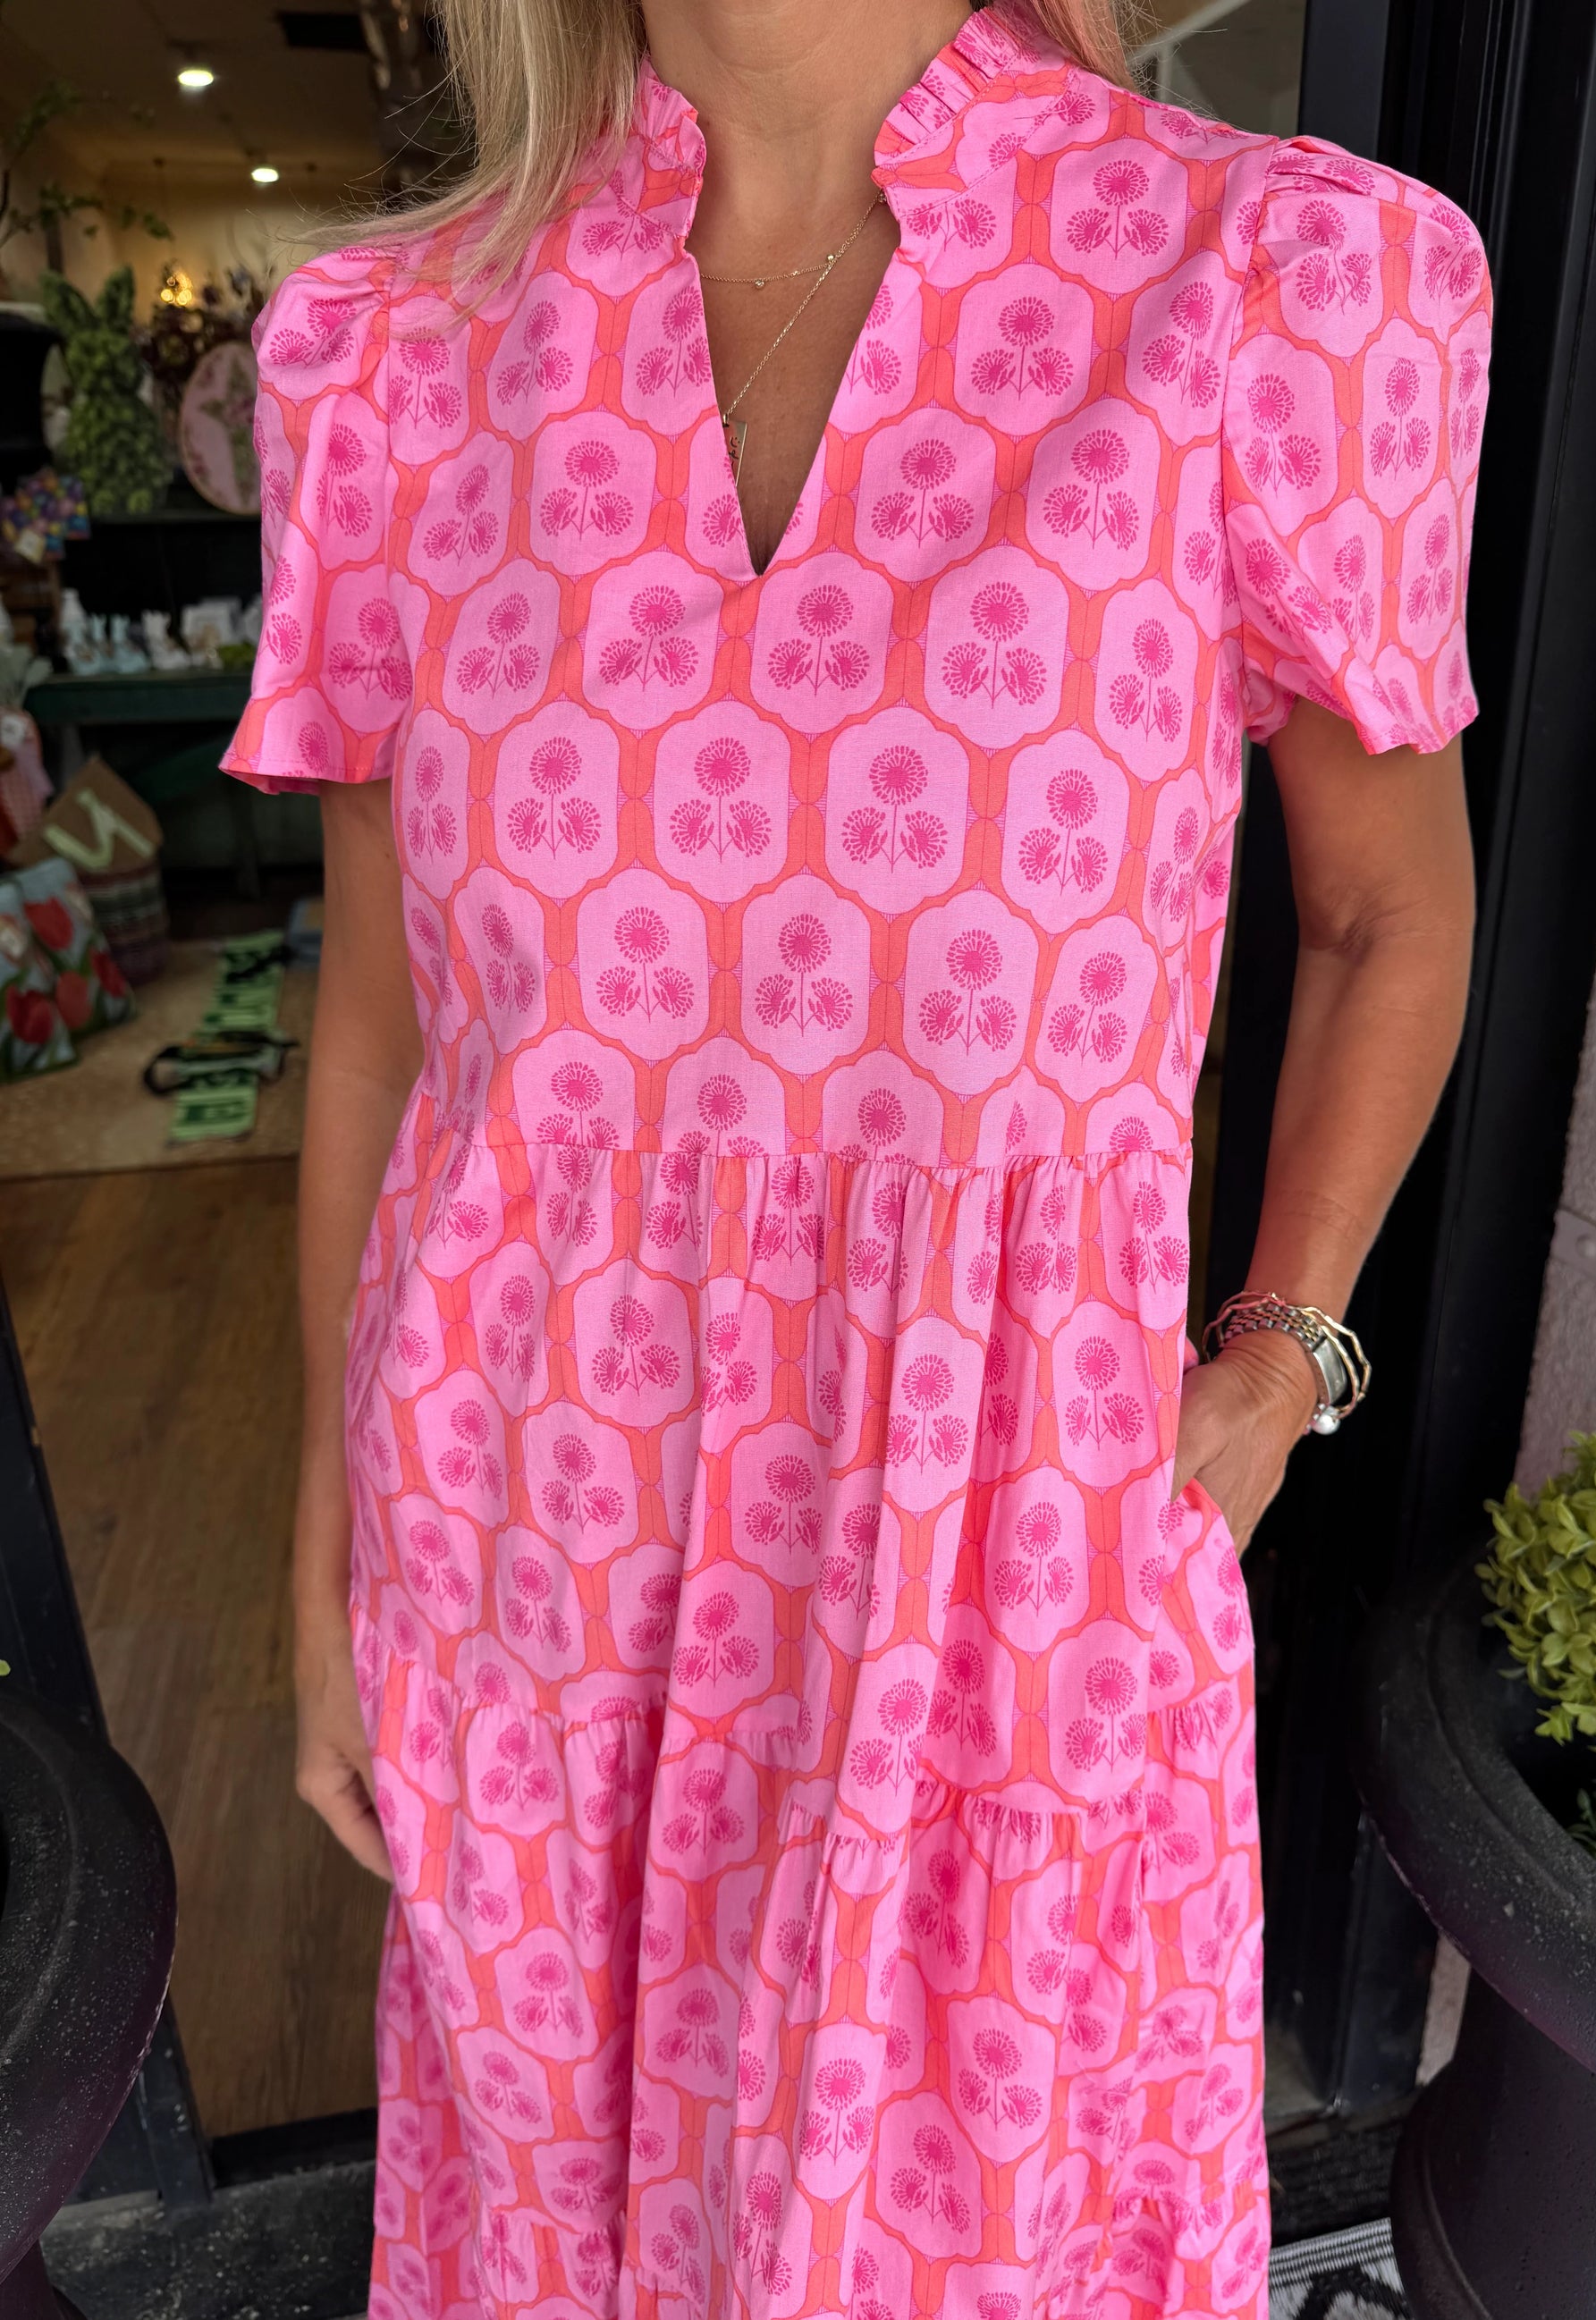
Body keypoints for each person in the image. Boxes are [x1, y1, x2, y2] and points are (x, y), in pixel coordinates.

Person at [224, 0, 1486, 2309]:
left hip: (987, 1582)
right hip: (523, 1551)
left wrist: (1275, 1361)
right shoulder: (391, 352)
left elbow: (1386, 911)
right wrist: (325, 1554)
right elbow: (388, 1025)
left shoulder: (1271, 281)